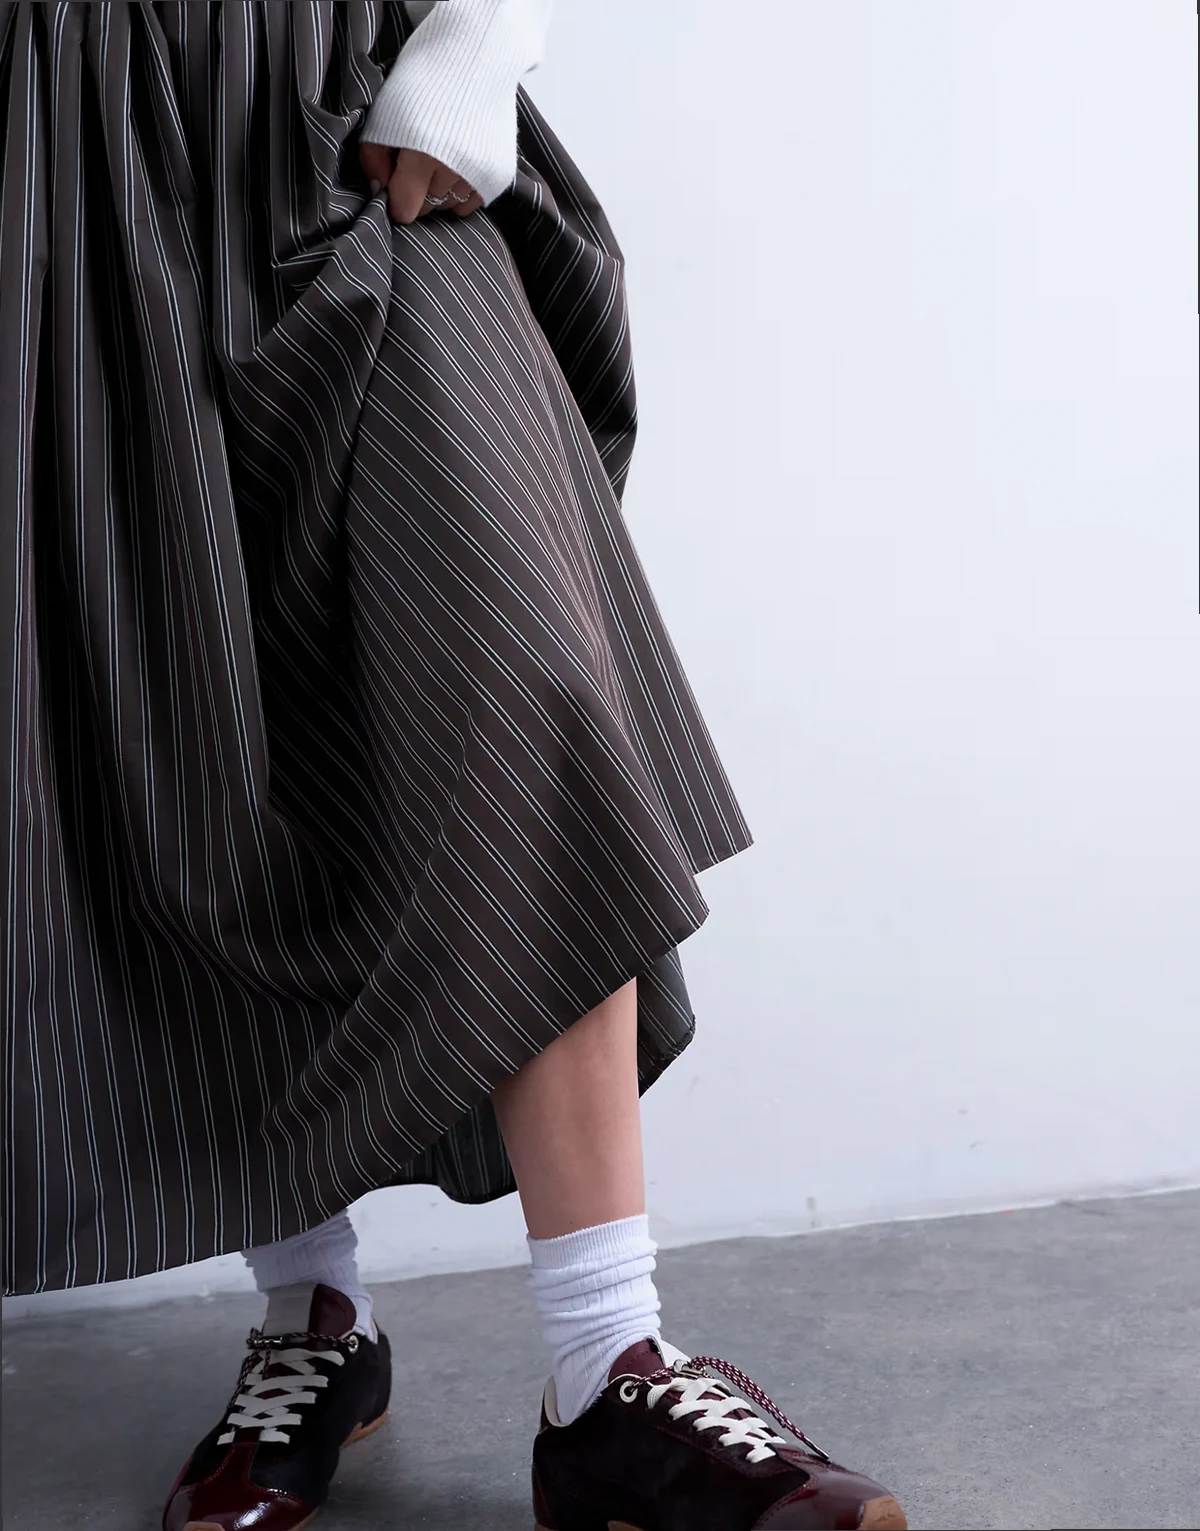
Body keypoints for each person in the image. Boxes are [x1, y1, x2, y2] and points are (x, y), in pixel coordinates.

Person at [1, 2, 906, 1527]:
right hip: (65, 136)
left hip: (346, 101)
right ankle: (312, 1317)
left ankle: (609, 1360)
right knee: (185, 740)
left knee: (522, 682)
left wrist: (481, 40)